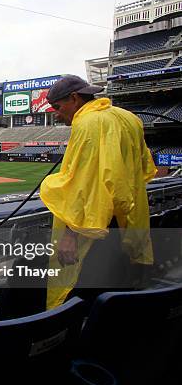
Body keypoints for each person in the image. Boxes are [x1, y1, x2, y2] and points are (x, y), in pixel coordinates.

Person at [40, 75, 157, 309]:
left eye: (57, 106)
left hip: (93, 233)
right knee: (114, 302)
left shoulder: (87, 124)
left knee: (82, 303)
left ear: (74, 98)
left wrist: (71, 237)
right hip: (128, 226)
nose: (56, 113)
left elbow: (86, 185)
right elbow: (145, 169)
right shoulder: (129, 118)